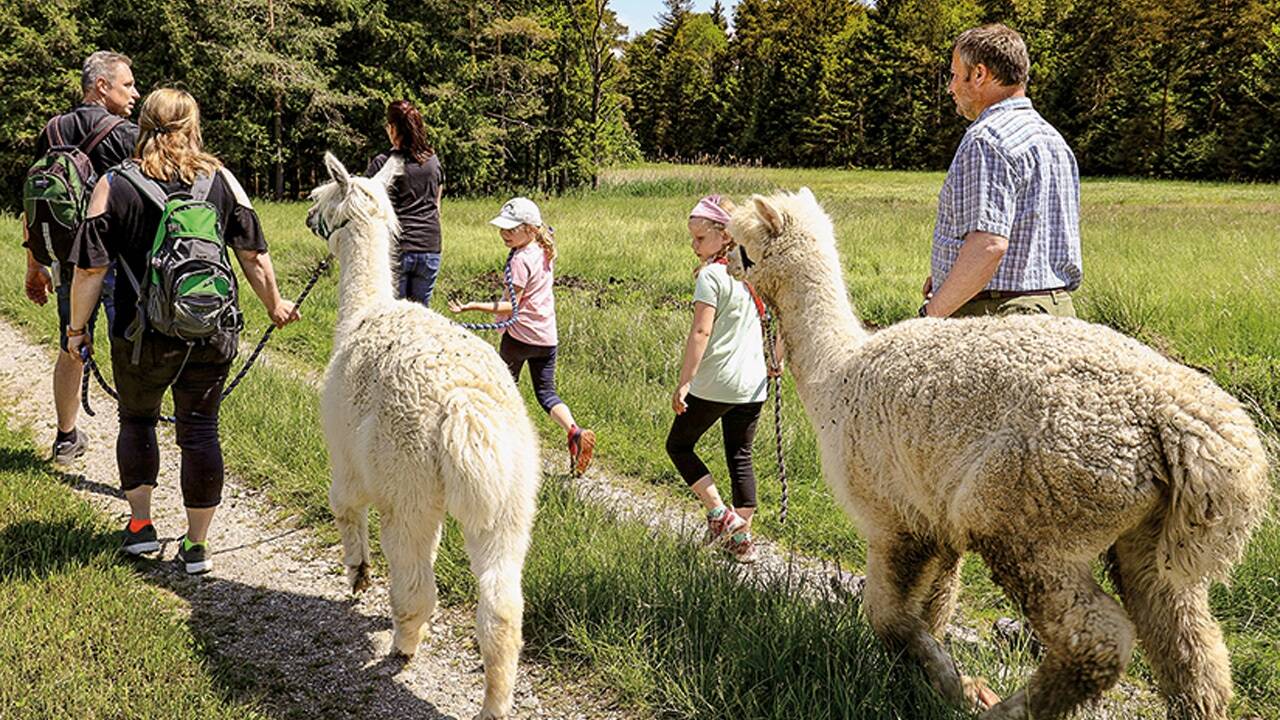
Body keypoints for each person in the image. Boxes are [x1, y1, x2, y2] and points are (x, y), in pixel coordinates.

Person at [64, 88, 299, 575]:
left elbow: (90, 270)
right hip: (211, 330)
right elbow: (252, 255)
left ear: (144, 125)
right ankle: (196, 545)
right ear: (194, 126)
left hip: (139, 334)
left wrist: (76, 330)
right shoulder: (222, 179)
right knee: (200, 430)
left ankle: (141, 528)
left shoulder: (115, 183)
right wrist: (274, 304)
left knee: (137, 420)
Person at [23, 51, 140, 464]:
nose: (135, 93)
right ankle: (137, 439)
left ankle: (66, 437)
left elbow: (36, 199)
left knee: (71, 345)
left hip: (69, 262)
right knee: (129, 350)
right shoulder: (127, 134)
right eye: (127, 85)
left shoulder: (53, 129)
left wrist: (35, 263)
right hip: (119, 265)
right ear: (101, 86)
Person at [921, 23, 1082, 320]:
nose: (950, 87)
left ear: (979, 74)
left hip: (1000, 316)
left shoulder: (987, 139)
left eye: (955, 75)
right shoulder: (1052, 139)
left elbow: (989, 245)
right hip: (1057, 310)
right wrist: (949, 280)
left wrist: (931, 315)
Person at [666, 195, 779, 564]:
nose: (693, 246)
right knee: (740, 455)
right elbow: (782, 320)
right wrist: (775, 360)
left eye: (700, 239)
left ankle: (719, 514)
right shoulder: (753, 274)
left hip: (719, 382)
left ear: (725, 236)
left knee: (679, 445)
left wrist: (685, 381)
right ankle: (742, 540)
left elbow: (701, 333)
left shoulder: (713, 276)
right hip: (754, 385)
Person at [448, 197, 596, 476]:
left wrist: (472, 306)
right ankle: (574, 431)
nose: (504, 233)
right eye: (502, 229)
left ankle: (503, 450)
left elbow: (510, 306)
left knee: (504, 390)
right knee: (546, 393)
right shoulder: (544, 249)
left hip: (519, 338)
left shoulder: (519, 260)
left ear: (529, 229)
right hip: (546, 338)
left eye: (511, 229)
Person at [366, 100, 445, 308]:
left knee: (393, 315)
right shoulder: (433, 162)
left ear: (392, 128)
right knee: (421, 315)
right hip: (430, 245)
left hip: (396, 248)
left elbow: (368, 208)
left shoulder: (382, 164)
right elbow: (437, 206)